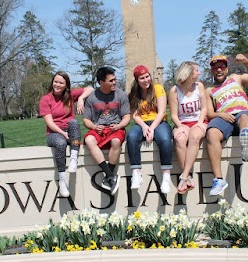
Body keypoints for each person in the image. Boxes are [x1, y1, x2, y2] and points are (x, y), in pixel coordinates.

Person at [206, 54, 248, 196]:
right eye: (216, 67)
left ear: (226, 69)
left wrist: (246, 62)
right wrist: (221, 115)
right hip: (224, 117)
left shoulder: (236, 78)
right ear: (212, 71)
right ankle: (218, 180)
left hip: (241, 112)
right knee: (212, 133)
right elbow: (209, 113)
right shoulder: (209, 90)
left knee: (245, 119)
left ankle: (246, 145)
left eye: (222, 67)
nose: (219, 70)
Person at [39, 71, 94, 197]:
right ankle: (62, 179)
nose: (57, 85)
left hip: (70, 131)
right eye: (55, 81)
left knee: (74, 122)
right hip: (54, 133)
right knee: (61, 143)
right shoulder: (45, 100)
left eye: (61, 83)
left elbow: (90, 88)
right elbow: (49, 122)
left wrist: (80, 98)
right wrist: (62, 133)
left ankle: (74, 159)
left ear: (66, 85)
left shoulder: (69, 95)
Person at [82, 67, 131, 195]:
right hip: (99, 129)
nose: (114, 82)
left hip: (116, 128)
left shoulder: (121, 95)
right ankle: (110, 175)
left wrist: (120, 125)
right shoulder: (92, 97)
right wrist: (93, 127)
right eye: (111, 81)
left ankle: (109, 176)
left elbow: (127, 116)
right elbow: (86, 120)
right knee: (89, 139)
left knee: (116, 141)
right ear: (101, 82)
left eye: (115, 79)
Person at [126, 65, 173, 193]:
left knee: (164, 139)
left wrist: (151, 128)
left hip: (159, 121)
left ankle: (166, 176)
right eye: (142, 78)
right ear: (137, 80)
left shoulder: (158, 88)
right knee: (131, 137)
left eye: (147, 76)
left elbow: (162, 111)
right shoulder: (134, 94)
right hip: (142, 123)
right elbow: (134, 114)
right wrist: (144, 126)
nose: (146, 80)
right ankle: (136, 173)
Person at [168, 61, 208, 194]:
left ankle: (184, 176)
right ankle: (188, 177)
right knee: (179, 139)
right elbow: (173, 115)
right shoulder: (174, 90)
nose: (199, 73)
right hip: (182, 122)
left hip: (198, 120)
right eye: (197, 71)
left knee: (195, 136)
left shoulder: (199, 86)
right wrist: (180, 126)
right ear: (189, 74)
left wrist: (200, 122)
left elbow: (204, 108)